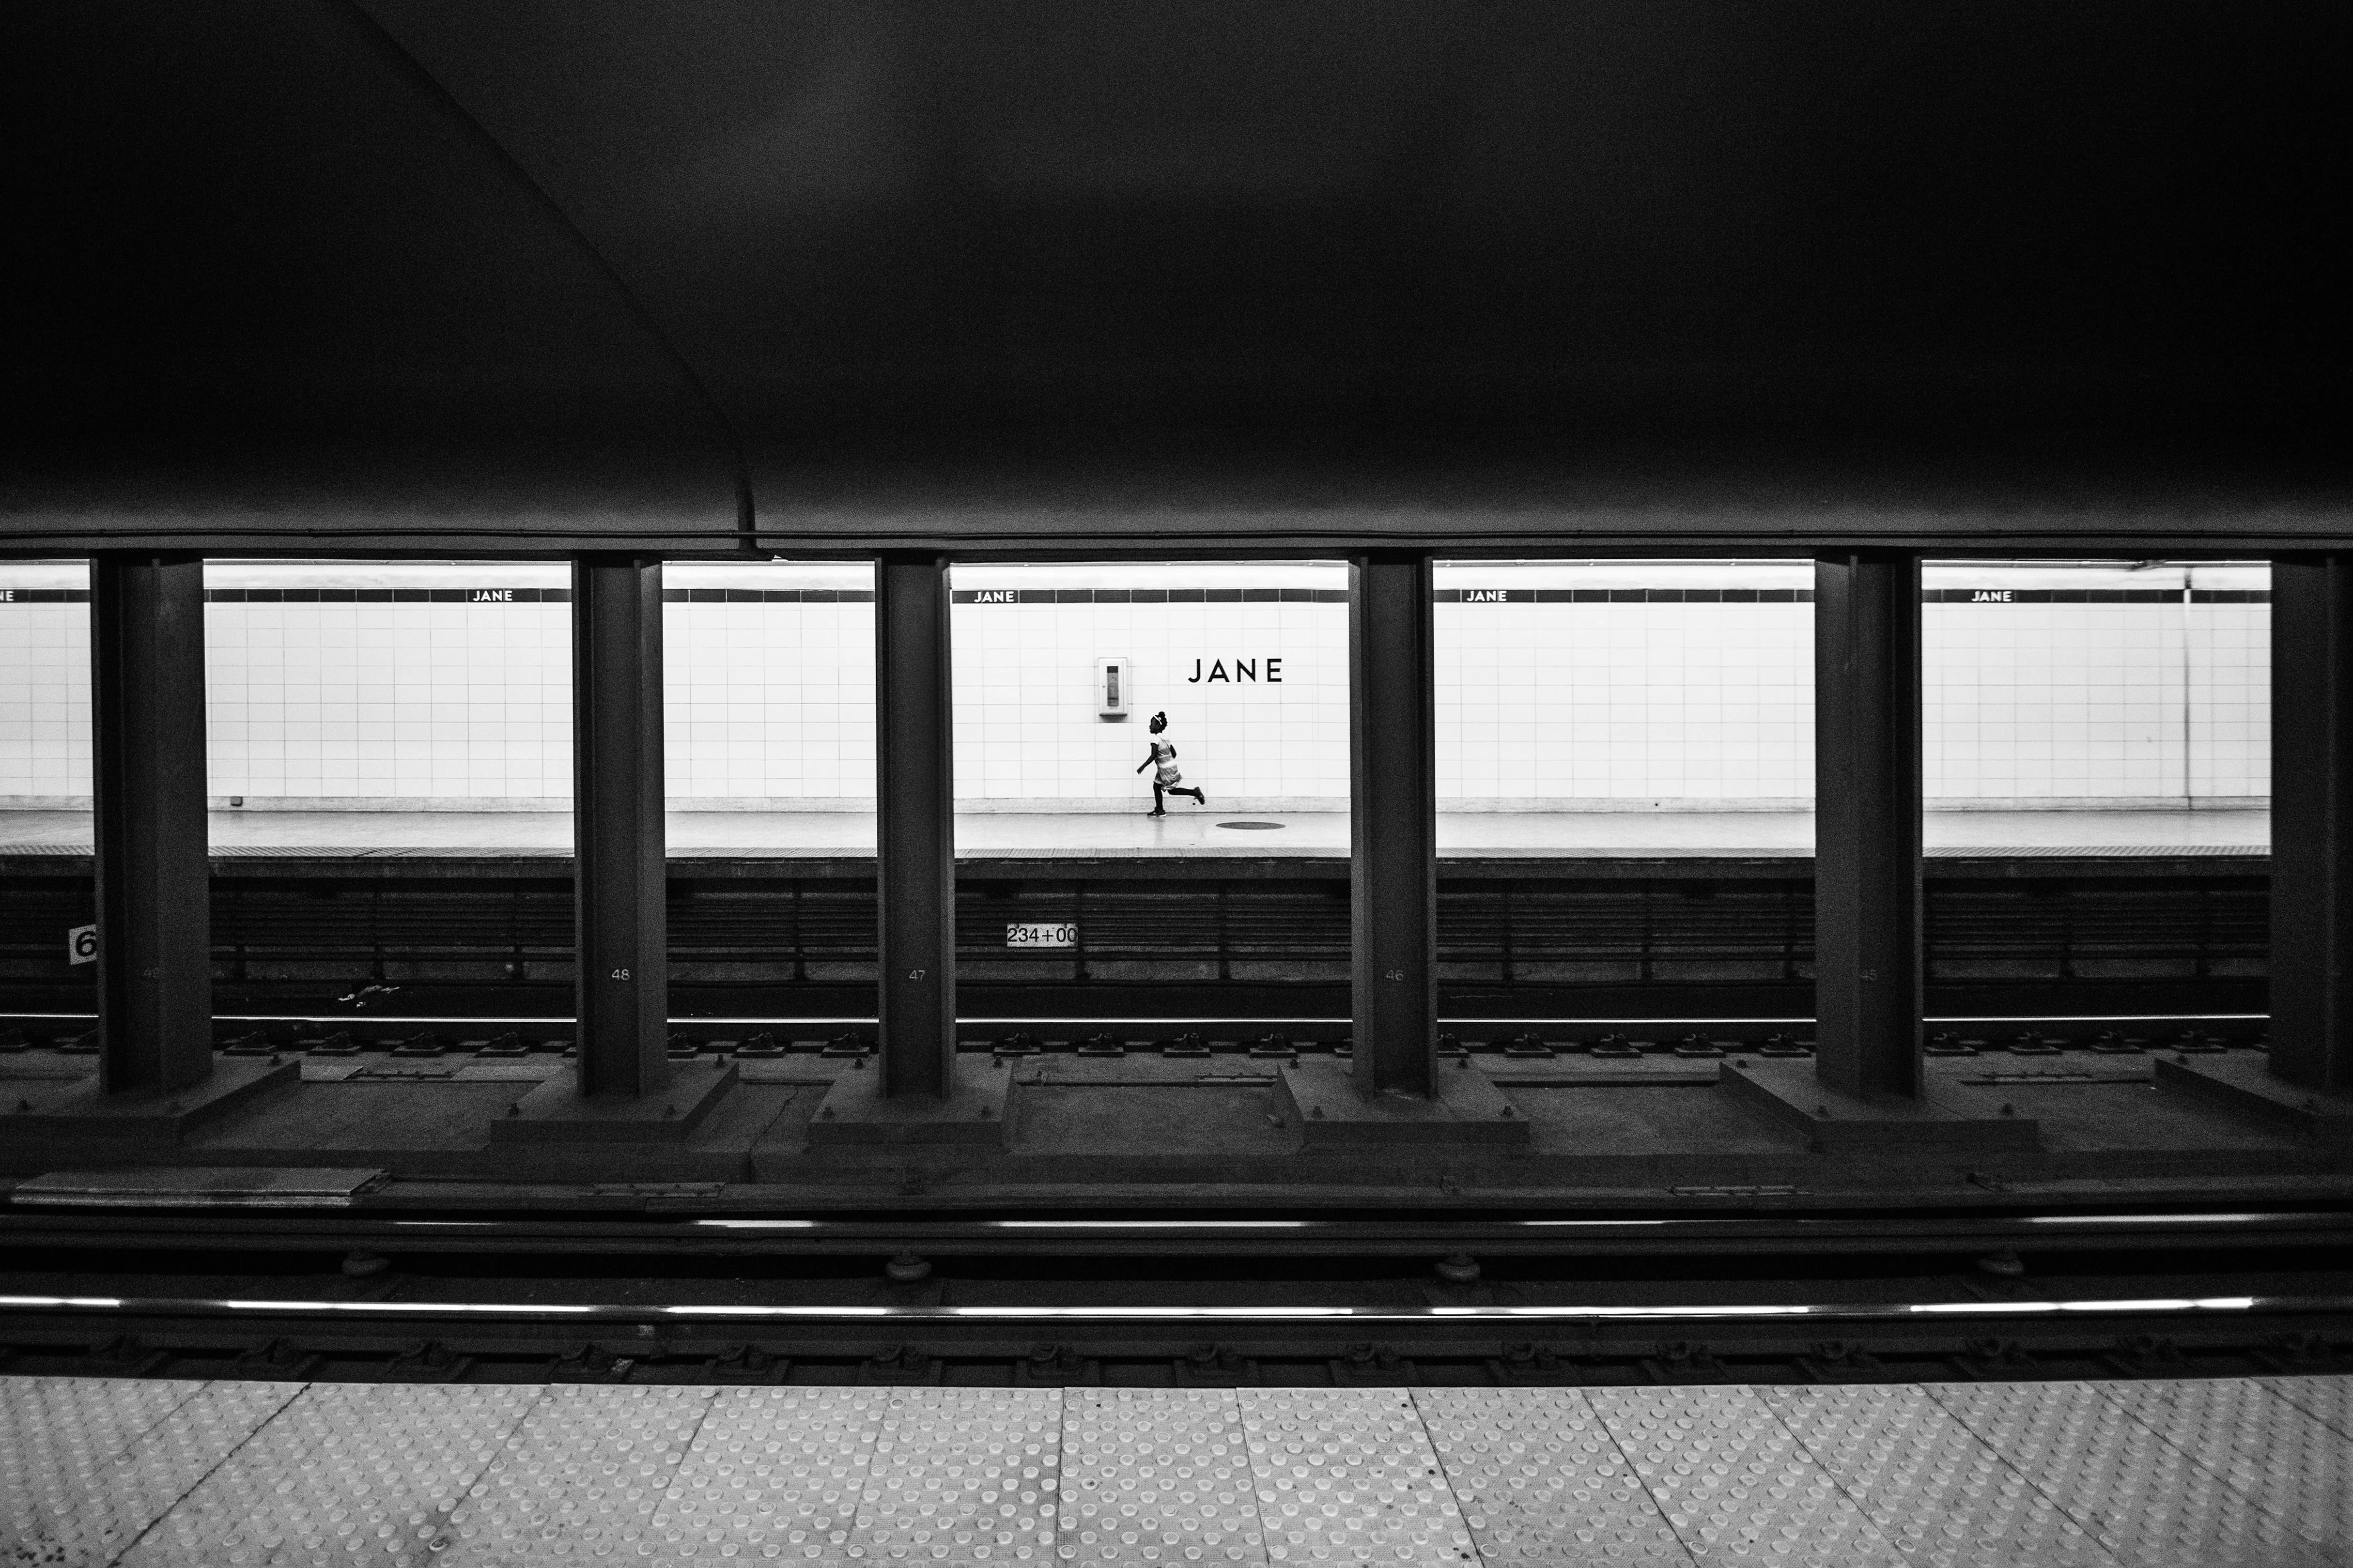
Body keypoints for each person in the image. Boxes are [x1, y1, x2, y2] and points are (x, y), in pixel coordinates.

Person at [1135, 711, 1207, 815]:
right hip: (1169, 767)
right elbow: (1174, 754)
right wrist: (1166, 759)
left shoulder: (1155, 739)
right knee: (1156, 786)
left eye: (1152, 724)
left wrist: (1143, 767)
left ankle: (1194, 792)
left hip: (1165, 769)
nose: (1150, 726)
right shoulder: (1166, 739)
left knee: (1172, 791)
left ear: (1158, 726)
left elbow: (1154, 755)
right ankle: (1159, 810)